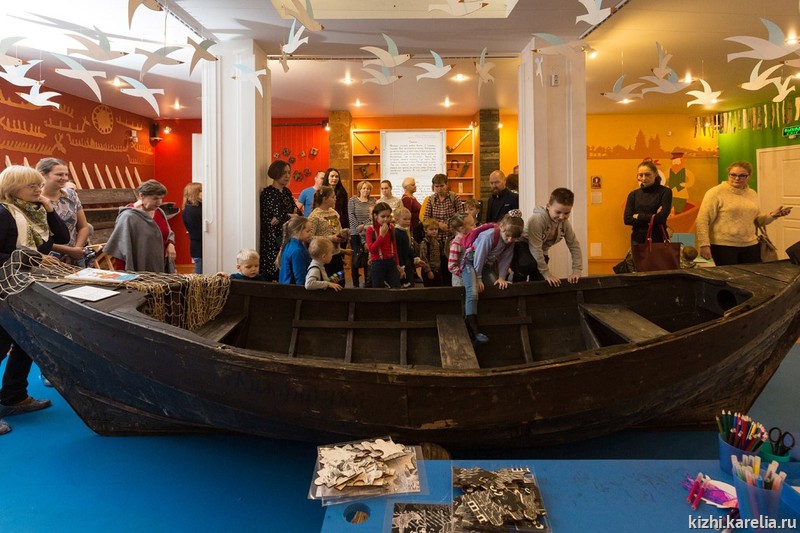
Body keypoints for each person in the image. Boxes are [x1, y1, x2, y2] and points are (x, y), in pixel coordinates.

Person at [0, 165, 70, 435]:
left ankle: (14, 397)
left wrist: (50, 209)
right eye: (31, 186)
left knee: (26, 341)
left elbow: (62, 238)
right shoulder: (3, 213)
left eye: (39, 185)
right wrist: (32, 258)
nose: (38, 190)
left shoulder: (36, 212)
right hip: (4, 288)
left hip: (23, 286)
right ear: (12, 188)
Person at [696, 160, 792, 266]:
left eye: (742, 175)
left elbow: (757, 221)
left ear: (748, 177)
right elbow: (702, 220)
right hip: (723, 247)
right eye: (733, 175)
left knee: (752, 275)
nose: (737, 178)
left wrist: (772, 216)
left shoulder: (752, 193)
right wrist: (704, 245)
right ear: (728, 174)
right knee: (730, 276)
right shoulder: (715, 192)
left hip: (751, 245)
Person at [461, 214, 524, 344]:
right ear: (501, 227)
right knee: (473, 292)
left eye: (514, 238)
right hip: (470, 263)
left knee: (495, 287)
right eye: (508, 236)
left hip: (486, 266)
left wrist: (501, 277)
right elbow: (479, 257)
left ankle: (490, 322)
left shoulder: (510, 241)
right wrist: (478, 278)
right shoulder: (488, 236)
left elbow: (506, 259)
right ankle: (472, 330)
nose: (510, 240)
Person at [514, 188, 583, 287]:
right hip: (523, 246)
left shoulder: (564, 223)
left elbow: (574, 245)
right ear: (548, 206)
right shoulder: (538, 219)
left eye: (566, 213)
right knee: (530, 264)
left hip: (541, 250)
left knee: (540, 281)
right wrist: (547, 274)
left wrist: (577, 271)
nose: (562, 217)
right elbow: (535, 248)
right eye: (558, 212)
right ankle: (513, 279)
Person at [104, 179, 176, 272]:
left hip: (162, 266)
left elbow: (168, 233)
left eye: (161, 198)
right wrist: (124, 274)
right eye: (155, 198)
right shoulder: (128, 217)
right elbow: (121, 247)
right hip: (142, 268)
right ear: (141, 196)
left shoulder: (159, 212)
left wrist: (170, 244)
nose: (159, 202)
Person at [37, 158, 90, 269]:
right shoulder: (35, 199)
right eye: (59, 174)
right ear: (42, 175)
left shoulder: (71, 195)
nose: (65, 178)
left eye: (66, 174)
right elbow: (36, 238)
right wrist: (70, 251)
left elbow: (83, 226)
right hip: (47, 260)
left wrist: (76, 250)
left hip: (74, 256)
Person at [259, 160, 298, 280]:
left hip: (287, 236)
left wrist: (289, 215)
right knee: (275, 272)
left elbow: (297, 212)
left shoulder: (286, 191)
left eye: (288, 172)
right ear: (276, 173)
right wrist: (289, 215)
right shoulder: (269, 192)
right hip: (273, 240)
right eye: (283, 173)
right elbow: (281, 215)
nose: (287, 176)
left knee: (288, 272)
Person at [423, 173, 464, 286]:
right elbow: (426, 218)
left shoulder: (454, 197)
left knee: (450, 264)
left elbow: (461, 216)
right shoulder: (431, 199)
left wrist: (450, 227)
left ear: (446, 185)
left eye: (441, 186)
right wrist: (438, 225)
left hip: (451, 238)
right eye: (437, 186)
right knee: (438, 266)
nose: (439, 189)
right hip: (435, 239)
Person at [623, 161, 673, 247]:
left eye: (647, 174)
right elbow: (627, 219)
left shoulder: (665, 192)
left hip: (658, 240)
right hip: (637, 241)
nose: (643, 178)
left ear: (655, 174)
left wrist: (639, 216)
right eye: (640, 175)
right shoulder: (633, 195)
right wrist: (653, 217)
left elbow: (661, 217)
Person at [308, 186, 347, 287]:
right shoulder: (315, 216)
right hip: (323, 257)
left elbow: (335, 229)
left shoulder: (333, 212)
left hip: (336, 254)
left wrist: (342, 235)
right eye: (333, 197)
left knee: (340, 282)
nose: (335, 199)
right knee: (329, 283)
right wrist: (331, 238)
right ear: (325, 199)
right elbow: (309, 237)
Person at [366, 202, 403, 288]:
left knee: (396, 287)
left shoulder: (391, 228)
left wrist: (397, 264)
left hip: (391, 261)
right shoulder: (370, 229)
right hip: (377, 263)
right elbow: (372, 250)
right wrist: (381, 235)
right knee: (378, 289)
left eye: (388, 216)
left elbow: (394, 247)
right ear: (375, 216)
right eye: (383, 216)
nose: (386, 219)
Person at [347, 180, 375, 288]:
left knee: (367, 256)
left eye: (368, 188)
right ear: (359, 189)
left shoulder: (373, 201)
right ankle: (355, 283)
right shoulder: (352, 200)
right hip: (355, 233)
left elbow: (372, 216)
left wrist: (363, 225)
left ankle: (367, 281)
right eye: (364, 188)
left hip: (368, 231)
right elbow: (351, 215)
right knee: (356, 256)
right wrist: (357, 227)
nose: (366, 190)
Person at [393, 206, 423, 288]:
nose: (408, 221)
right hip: (402, 264)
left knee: (410, 284)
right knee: (405, 285)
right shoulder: (397, 233)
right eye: (405, 219)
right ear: (397, 220)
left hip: (407, 262)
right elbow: (398, 251)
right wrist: (401, 266)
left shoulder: (405, 231)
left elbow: (408, 247)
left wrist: (415, 257)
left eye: (409, 219)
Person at [277, 216, 311, 285]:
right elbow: (300, 277)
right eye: (307, 231)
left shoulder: (290, 244)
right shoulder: (297, 250)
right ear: (297, 231)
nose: (310, 233)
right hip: (292, 288)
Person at [447, 212, 476, 287]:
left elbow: (472, 255)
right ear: (462, 229)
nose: (475, 226)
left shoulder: (471, 240)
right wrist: (465, 274)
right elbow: (451, 266)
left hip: (471, 277)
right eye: (472, 225)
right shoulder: (457, 243)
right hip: (460, 281)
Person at [181, 182, 203, 274]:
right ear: (195, 193)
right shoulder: (193, 210)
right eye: (201, 191)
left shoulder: (190, 209)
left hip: (197, 246)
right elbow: (198, 231)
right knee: (199, 274)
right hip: (198, 246)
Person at [323, 168, 349, 232]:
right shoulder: (322, 191)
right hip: (324, 220)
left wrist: (347, 227)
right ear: (327, 177)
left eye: (337, 177)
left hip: (339, 220)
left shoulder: (342, 192)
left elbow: (345, 210)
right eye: (332, 176)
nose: (334, 178)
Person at [419, 218, 442, 287]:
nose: (434, 231)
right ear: (425, 230)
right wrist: (428, 271)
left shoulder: (437, 242)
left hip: (437, 269)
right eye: (431, 229)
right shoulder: (425, 243)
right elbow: (423, 258)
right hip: (429, 270)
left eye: (436, 229)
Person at [401, 177, 422, 242]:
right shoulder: (407, 199)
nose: (415, 186)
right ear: (406, 187)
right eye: (413, 185)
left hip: (416, 228)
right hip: (413, 229)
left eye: (414, 184)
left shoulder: (412, 198)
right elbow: (407, 216)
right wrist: (410, 231)